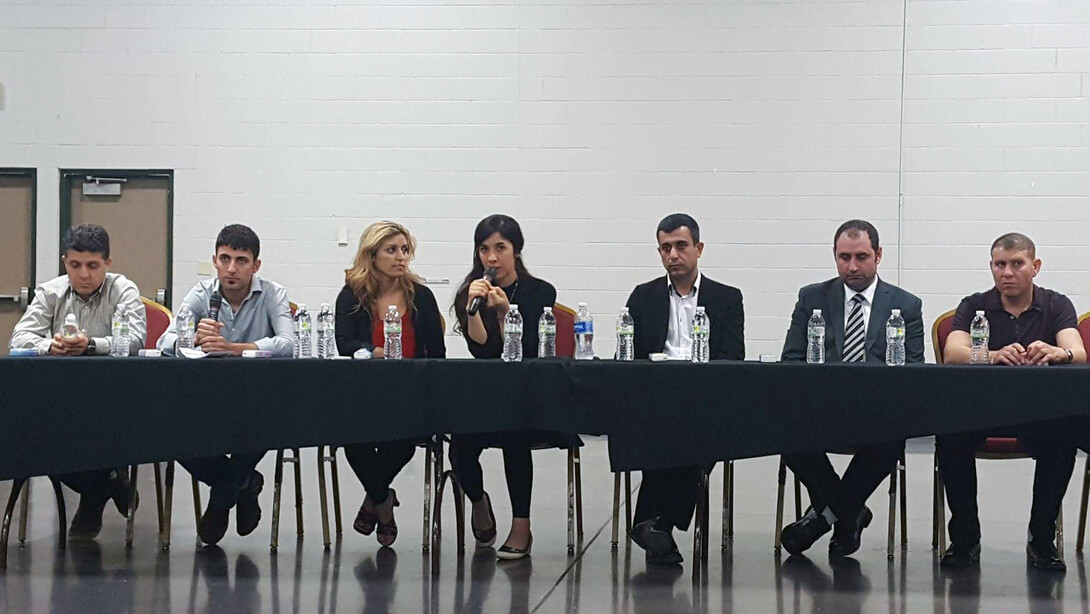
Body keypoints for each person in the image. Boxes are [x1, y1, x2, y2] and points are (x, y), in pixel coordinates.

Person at [937, 232, 1085, 570]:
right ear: (991, 267)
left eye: (1017, 264)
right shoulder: (974, 305)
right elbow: (953, 353)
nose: (1007, 272)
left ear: (1035, 267)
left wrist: (1056, 352)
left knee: (1063, 438)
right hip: (981, 411)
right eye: (1000, 264)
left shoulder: (1056, 304)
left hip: (1038, 412)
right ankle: (964, 540)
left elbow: (1077, 351)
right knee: (949, 436)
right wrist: (991, 354)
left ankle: (1042, 539)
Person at [778, 219, 924, 557]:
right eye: (844, 257)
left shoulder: (906, 305)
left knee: (890, 441)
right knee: (787, 435)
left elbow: (914, 368)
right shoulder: (812, 297)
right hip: (822, 409)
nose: (853, 266)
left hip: (878, 415)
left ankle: (824, 516)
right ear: (835, 256)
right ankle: (850, 511)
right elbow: (791, 360)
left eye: (861, 256)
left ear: (879, 255)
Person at [449, 214, 581, 561]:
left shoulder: (540, 292)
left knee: (514, 432)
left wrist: (508, 314)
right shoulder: (471, 292)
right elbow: (482, 350)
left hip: (530, 397)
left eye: (500, 248)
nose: (491, 258)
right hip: (487, 395)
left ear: (516, 251)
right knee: (459, 442)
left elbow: (533, 351)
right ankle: (479, 502)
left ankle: (521, 525)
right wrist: (474, 311)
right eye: (484, 249)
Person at [157, 224, 294, 546]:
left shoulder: (273, 294)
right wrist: (192, 337)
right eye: (225, 258)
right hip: (205, 401)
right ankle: (242, 482)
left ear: (256, 265)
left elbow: (288, 343)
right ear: (215, 260)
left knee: (265, 425)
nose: (232, 268)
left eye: (242, 260)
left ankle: (220, 502)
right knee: (169, 435)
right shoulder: (201, 294)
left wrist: (234, 348)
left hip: (257, 401)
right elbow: (166, 340)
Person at [9, 223, 147, 540]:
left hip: (115, 405)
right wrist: (48, 346)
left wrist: (91, 345)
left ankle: (96, 492)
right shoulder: (50, 292)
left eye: (92, 266)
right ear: (65, 262)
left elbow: (138, 340)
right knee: (32, 441)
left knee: (103, 434)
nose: (83, 274)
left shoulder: (123, 290)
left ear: (107, 264)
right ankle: (107, 484)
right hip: (61, 404)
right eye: (75, 265)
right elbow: (18, 339)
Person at [626, 213, 745, 565]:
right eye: (665, 248)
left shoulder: (727, 298)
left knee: (694, 429)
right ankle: (658, 524)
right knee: (664, 425)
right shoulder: (642, 296)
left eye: (681, 246)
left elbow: (732, 357)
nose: (673, 255)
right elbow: (630, 357)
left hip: (705, 400)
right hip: (655, 399)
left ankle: (653, 521)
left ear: (699, 248)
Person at [335, 221, 446, 547]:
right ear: (371, 255)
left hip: (410, 396)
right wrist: (374, 352)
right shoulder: (352, 295)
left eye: (405, 250)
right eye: (392, 250)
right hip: (365, 394)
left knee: (403, 441)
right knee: (353, 441)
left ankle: (375, 500)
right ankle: (384, 500)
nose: (401, 257)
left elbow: (437, 353)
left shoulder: (421, 298)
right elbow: (344, 343)